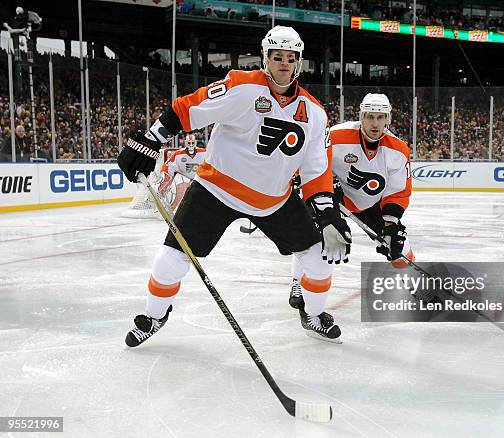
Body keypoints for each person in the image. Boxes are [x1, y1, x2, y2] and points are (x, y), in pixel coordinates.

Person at [117, 26, 352, 346]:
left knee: (318, 258)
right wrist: (149, 140)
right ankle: (153, 316)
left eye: (290, 57)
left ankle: (312, 315)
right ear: (265, 58)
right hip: (216, 189)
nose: (284, 63)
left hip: (274, 200)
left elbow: (316, 170)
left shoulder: (314, 113)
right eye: (277, 56)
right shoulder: (241, 86)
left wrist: (326, 213)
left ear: (299, 62)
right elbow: (189, 107)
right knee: (170, 259)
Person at [289, 93, 414, 309]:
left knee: (397, 243)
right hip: (331, 198)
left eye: (380, 117)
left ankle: (415, 283)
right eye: (370, 117)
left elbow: (397, 191)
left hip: (370, 203)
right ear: (361, 116)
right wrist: (313, 181)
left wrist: (391, 223)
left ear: (388, 119)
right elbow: (311, 158)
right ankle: (297, 283)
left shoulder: (398, 149)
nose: (375, 123)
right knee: (313, 239)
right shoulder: (337, 136)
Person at [157, 134, 206, 210]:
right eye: (189, 143)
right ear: (185, 143)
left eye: (192, 143)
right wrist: (164, 183)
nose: (191, 145)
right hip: (183, 177)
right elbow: (167, 167)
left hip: (198, 180)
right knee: (182, 185)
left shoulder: (204, 153)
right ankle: (171, 207)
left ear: (195, 143)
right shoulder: (177, 154)